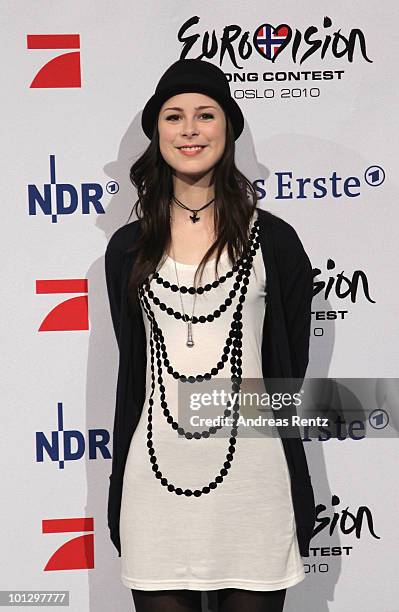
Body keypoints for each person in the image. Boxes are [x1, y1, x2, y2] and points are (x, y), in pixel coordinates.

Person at [104, 58, 316, 612]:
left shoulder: (277, 241)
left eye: (205, 114)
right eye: (174, 117)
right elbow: (133, 372)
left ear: (229, 127)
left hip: (253, 479)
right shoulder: (126, 248)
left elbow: (290, 370)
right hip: (155, 475)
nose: (190, 129)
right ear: (157, 134)